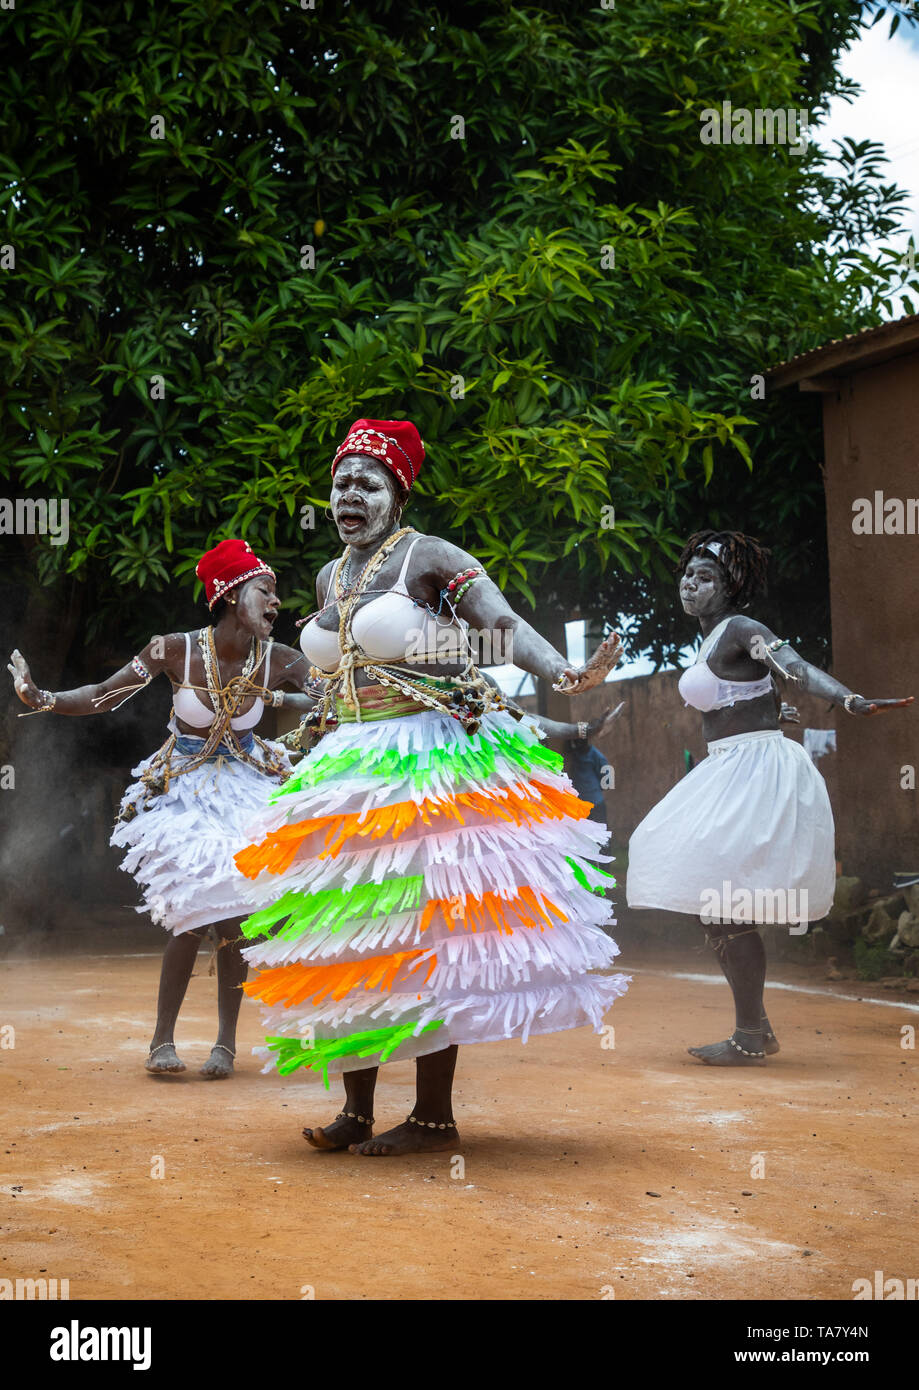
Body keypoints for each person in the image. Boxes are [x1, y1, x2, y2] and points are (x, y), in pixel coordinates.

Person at [235, 417, 628, 1154]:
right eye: (340, 481)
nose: (348, 493)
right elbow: (332, 677)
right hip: (348, 770)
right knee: (351, 936)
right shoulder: (329, 576)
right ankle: (355, 1109)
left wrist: (563, 675)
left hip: (427, 761)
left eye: (367, 482)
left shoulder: (430, 555)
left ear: (397, 493)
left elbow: (500, 626)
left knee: (424, 934)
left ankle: (433, 1116)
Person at [7, 539, 317, 1079]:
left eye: (276, 594)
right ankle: (161, 1042)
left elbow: (338, 700)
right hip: (183, 788)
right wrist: (43, 698)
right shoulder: (173, 649)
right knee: (192, 912)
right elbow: (105, 694)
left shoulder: (285, 660)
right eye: (264, 591)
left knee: (239, 916)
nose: (275, 603)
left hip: (248, 787)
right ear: (228, 594)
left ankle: (225, 1044)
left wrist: (303, 697)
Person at [626, 529, 912, 1066]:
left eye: (705, 577)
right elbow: (750, 691)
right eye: (688, 574)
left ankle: (751, 1033)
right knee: (707, 895)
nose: (690, 584)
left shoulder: (743, 628)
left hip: (756, 771)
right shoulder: (710, 637)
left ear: (731, 585)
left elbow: (794, 667)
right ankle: (752, 1030)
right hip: (728, 765)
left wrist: (846, 700)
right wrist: (771, 709)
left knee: (721, 903)